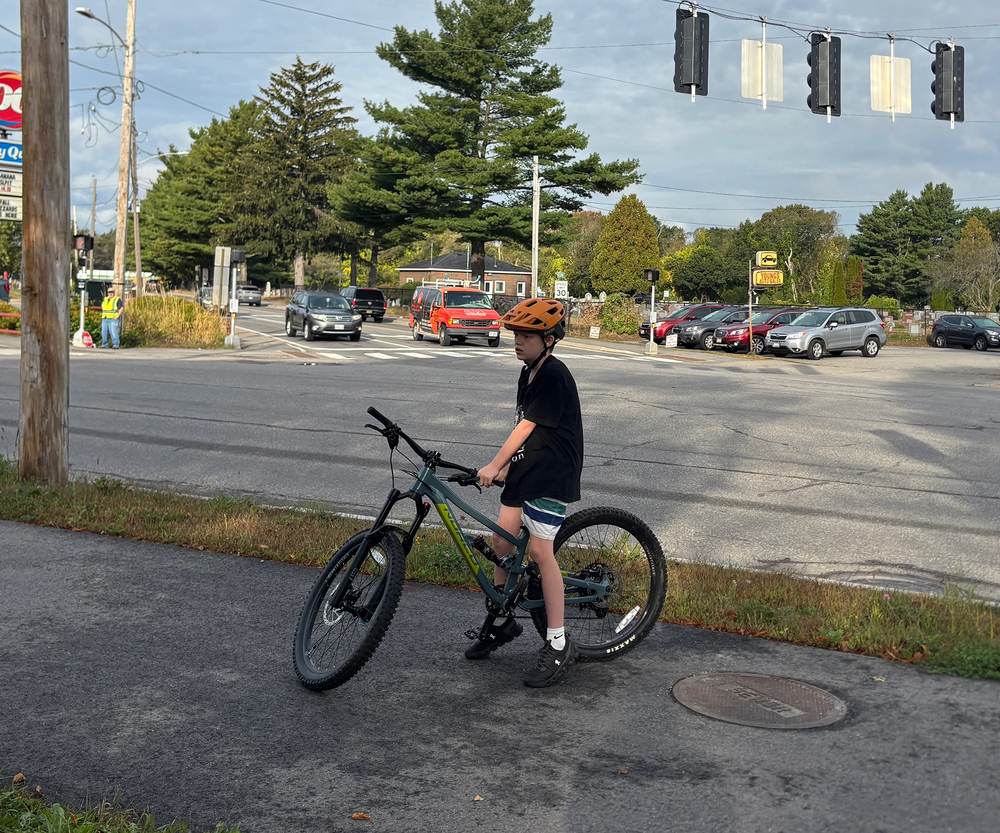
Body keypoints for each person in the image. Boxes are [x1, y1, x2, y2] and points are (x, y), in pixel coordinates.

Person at [469, 298, 584, 688]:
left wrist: (493, 464)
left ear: (549, 340)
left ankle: (557, 642)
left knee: (539, 552)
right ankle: (502, 622)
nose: (517, 342)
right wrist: (505, 469)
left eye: (526, 336)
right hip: (526, 467)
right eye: (516, 335)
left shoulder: (554, 374)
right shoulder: (528, 372)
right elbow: (525, 429)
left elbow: (525, 427)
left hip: (552, 472)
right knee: (501, 542)